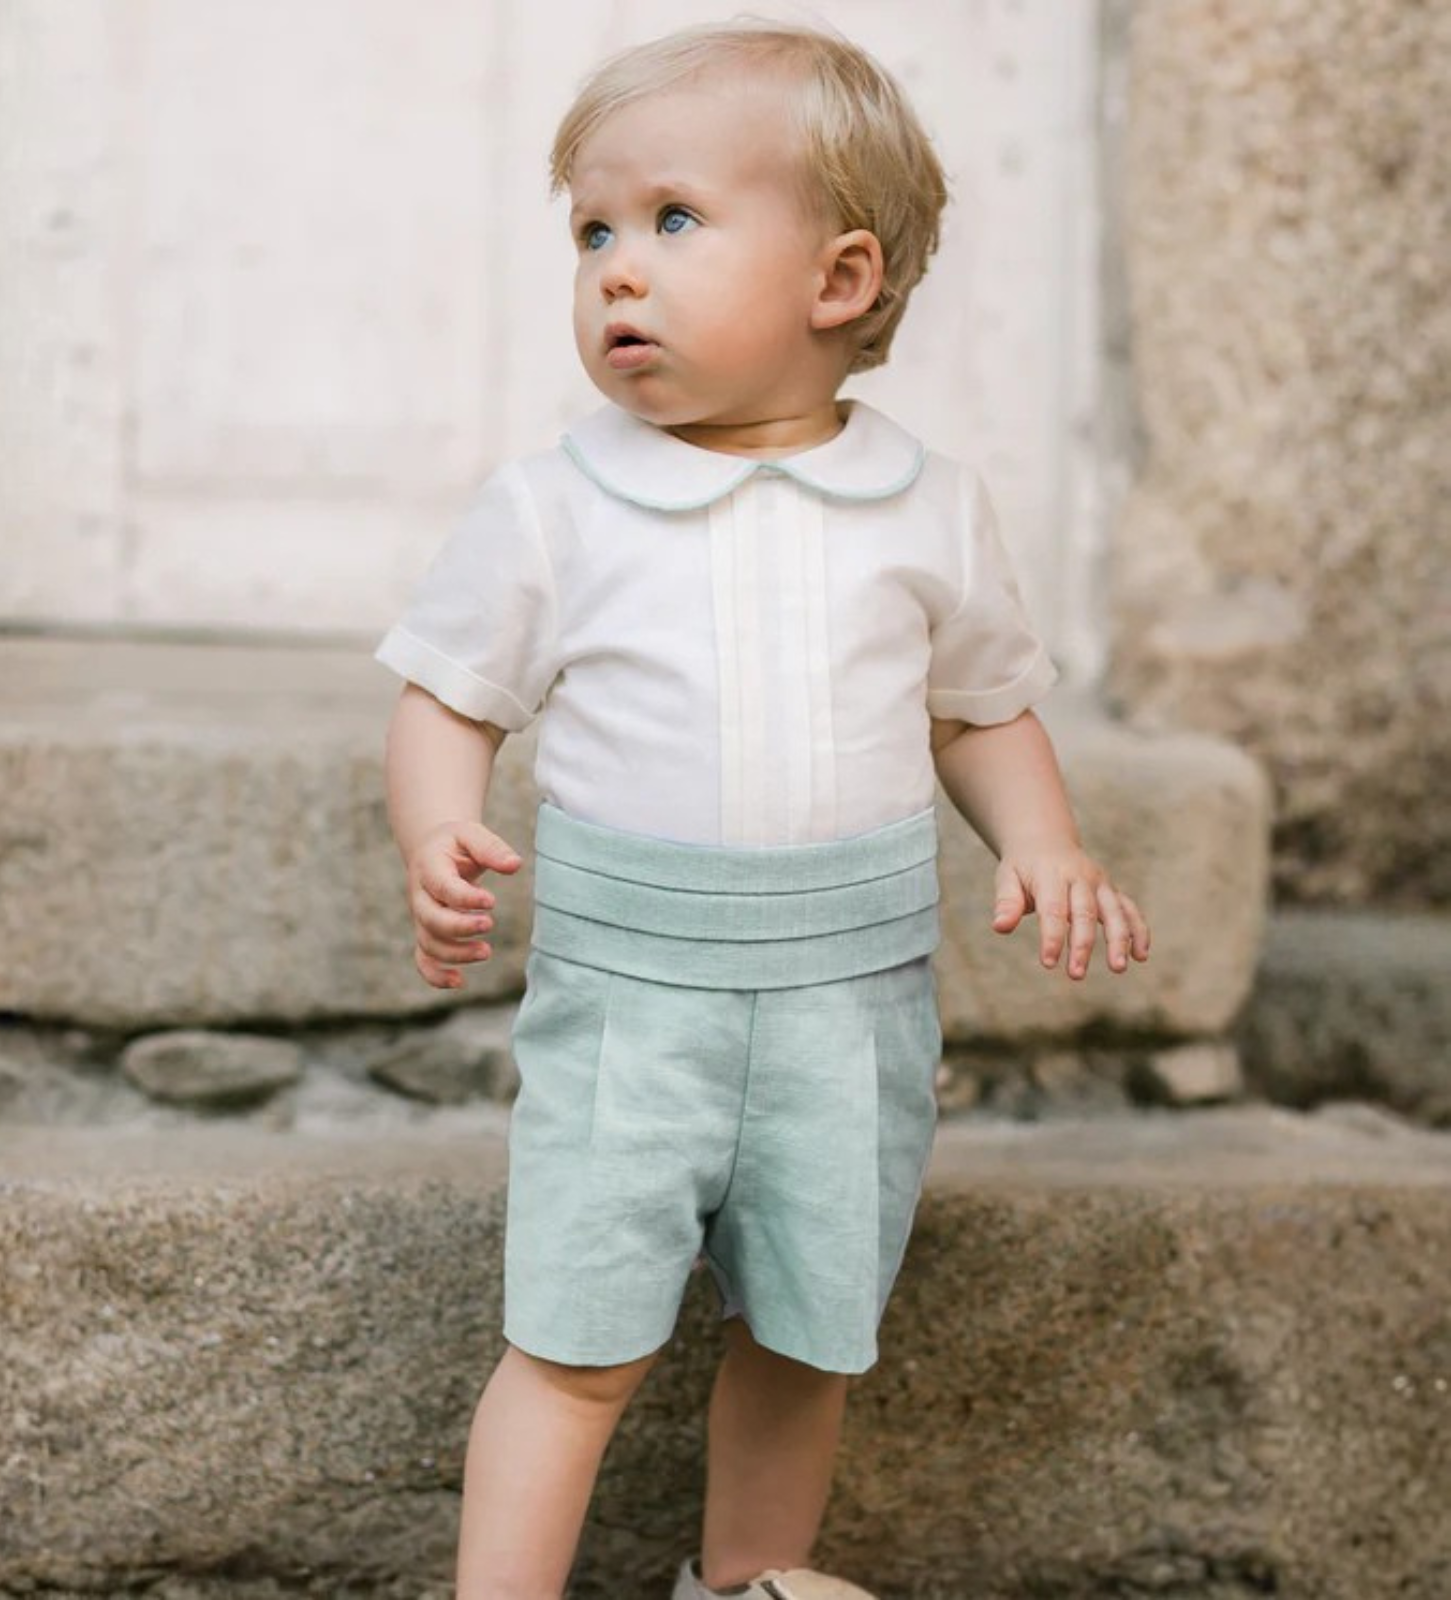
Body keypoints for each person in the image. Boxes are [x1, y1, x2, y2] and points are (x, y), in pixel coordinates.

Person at [377, 20, 1150, 1600]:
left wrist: (1047, 841)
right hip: (632, 1008)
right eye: (591, 230)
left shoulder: (926, 506)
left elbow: (977, 704)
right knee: (575, 1345)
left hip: (844, 1010)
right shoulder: (558, 502)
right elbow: (448, 690)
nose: (614, 270)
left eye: (670, 220)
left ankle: (747, 1582)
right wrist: (437, 820)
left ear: (841, 280)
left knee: (806, 1335)